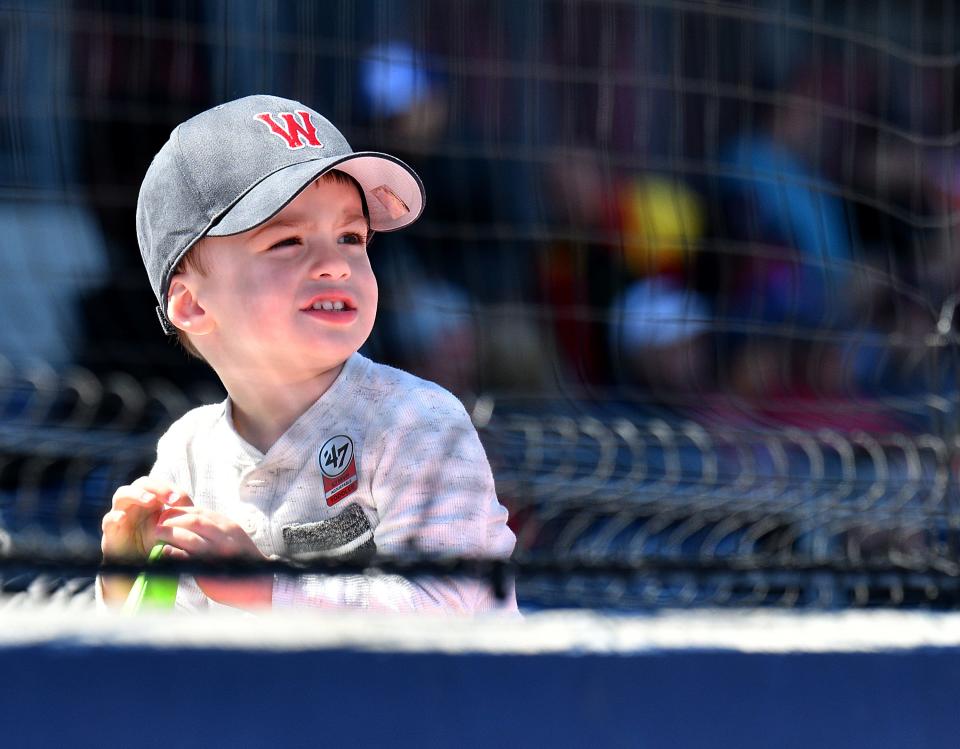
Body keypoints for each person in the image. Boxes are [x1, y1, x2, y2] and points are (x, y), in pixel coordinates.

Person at [98, 94, 518, 614]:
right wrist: (125, 587)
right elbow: (162, 661)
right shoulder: (187, 454)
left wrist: (268, 588)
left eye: (351, 236)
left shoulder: (417, 422)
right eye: (288, 241)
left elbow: (448, 606)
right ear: (191, 303)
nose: (336, 264)